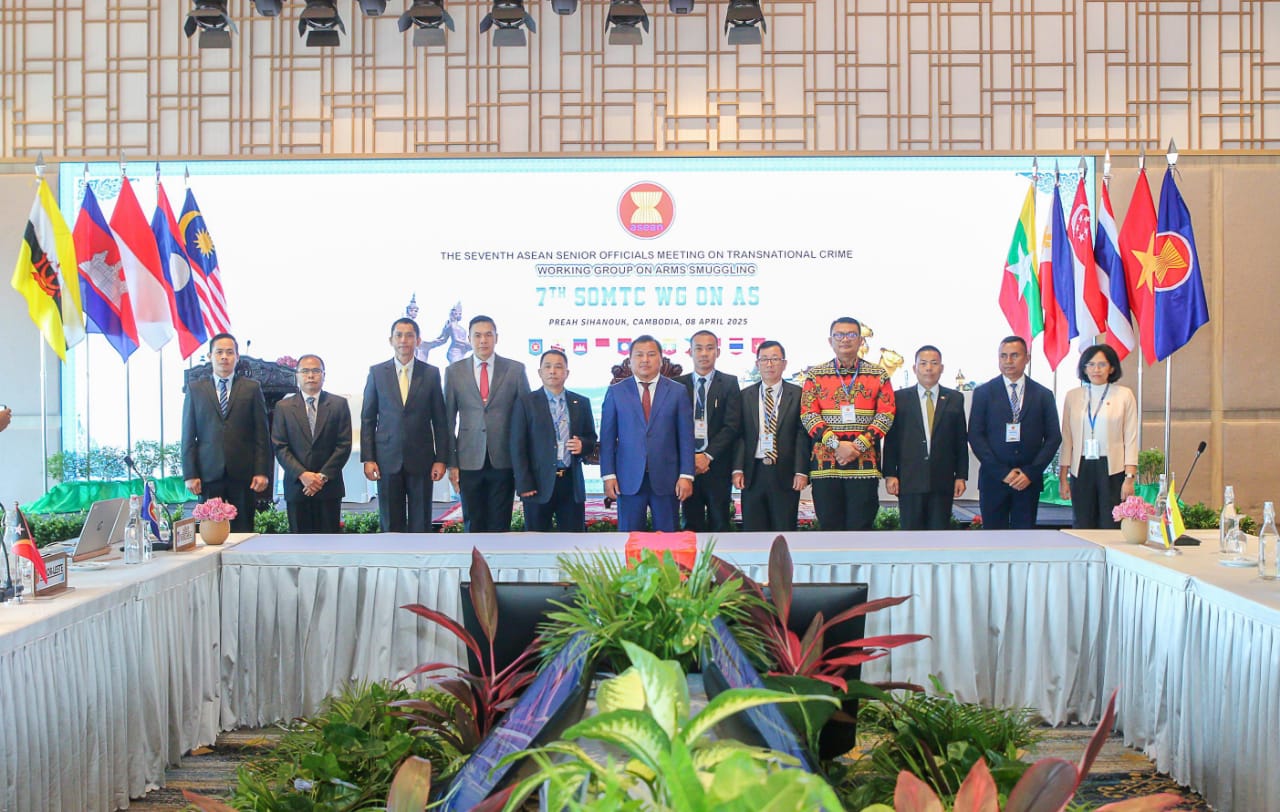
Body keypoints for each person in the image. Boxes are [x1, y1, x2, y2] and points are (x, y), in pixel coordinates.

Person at [800, 317, 896, 531]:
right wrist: (837, 445)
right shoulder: (815, 375)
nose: (845, 340)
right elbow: (808, 414)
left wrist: (858, 446)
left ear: (861, 340)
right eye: (839, 335)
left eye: (851, 335)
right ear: (830, 341)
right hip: (826, 467)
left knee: (861, 528)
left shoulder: (879, 374)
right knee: (829, 528)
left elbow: (886, 414)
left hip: (864, 466)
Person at [600, 335, 695, 532]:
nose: (645, 360)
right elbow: (607, 439)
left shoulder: (677, 392)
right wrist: (608, 475)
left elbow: (686, 438)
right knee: (630, 539)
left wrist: (686, 475)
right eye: (639, 355)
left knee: (668, 542)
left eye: (651, 355)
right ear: (630, 359)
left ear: (660, 359)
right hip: (628, 480)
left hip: (667, 479)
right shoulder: (616, 392)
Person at [361, 317, 448, 532]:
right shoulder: (377, 373)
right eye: (399, 335)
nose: (404, 340)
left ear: (418, 341)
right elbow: (368, 419)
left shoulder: (431, 373)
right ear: (391, 340)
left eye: (409, 335)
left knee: (421, 521)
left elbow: (440, 420)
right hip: (386, 459)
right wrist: (368, 458)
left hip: (422, 459)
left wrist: (441, 459)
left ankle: (419, 564)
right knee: (391, 522)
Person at [444, 316, 530, 532]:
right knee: (473, 524)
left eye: (488, 334)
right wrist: (451, 463)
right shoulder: (455, 371)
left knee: (500, 525)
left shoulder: (515, 370)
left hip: (504, 459)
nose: (483, 340)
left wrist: (523, 463)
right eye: (478, 335)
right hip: (468, 460)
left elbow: (527, 417)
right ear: (469, 339)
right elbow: (447, 421)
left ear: (496, 338)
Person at [968, 336, 1061, 530]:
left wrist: (1031, 472)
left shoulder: (1043, 395)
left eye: (1014, 355)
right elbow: (976, 435)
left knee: (1024, 541)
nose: (1008, 361)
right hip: (994, 480)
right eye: (1003, 356)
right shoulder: (984, 393)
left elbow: (1053, 437)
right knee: (993, 540)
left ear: (1027, 358)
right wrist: (1002, 472)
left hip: (1028, 482)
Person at [181, 332, 271, 533]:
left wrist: (262, 470)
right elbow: (188, 436)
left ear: (237, 357)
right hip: (208, 474)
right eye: (219, 352)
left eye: (229, 352)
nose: (224, 357)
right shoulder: (195, 389)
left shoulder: (251, 388)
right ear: (210, 356)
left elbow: (261, 435)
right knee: (210, 532)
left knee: (243, 530)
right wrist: (190, 473)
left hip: (243, 474)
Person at [509, 349, 598, 532]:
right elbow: (518, 446)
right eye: (547, 366)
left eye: (558, 367)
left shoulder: (580, 402)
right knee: (536, 542)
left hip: (570, 483)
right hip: (537, 484)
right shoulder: (526, 402)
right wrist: (524, 483)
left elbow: (591, 438)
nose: (552, 371)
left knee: (574, 543)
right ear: (540, 372)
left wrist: (583, 444)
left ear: (566, 373)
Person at [882, 345, 970, 530]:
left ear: (942, 368)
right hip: (909, 479)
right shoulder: (899, 398)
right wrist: (890, 474)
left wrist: (961, 476)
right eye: (923, 363)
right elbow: (892, 440)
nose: (928, 368)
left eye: (934, 363)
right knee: (911, 535)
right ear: (914, 368)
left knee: (939, 535)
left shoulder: (954, 398)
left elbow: (960, 440)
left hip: (943, 479)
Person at [1058, 344, 1139, 529]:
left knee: (1111, 522)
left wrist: (1129, 477)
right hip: (1082, 466)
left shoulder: (1124, 395)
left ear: (1111, 368)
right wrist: (1063, 478)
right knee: (1082, 522)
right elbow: (1067, 438)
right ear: (1084, 368)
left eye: (1102, 364)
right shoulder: (1073, 396)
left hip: (1112, 469)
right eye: (1091, 364)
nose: (1096, 369)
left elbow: (1131, 438)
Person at [732, 341, 809, 531]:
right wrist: (737, 468)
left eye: (775, 359)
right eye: (764, 359)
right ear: (757, 364)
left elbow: (802, 435)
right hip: (753, 473)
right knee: (753, 531)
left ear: (784, 364)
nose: (769, 364)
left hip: (785, 473)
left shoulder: (799, 394)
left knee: (784, 531)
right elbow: (739, 435)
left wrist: (801, 470)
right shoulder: (744, 395)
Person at [271, 354, 352, 533]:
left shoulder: (338, 404)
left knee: (329, 546)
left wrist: (321, 477)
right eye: (305, 371)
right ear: (297, 375)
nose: (310, 376)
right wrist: (303, 475)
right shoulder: (283, 407)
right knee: (299, 546)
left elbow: (343, 445)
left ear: (324, 375)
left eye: (316, 371)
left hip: (329, 487)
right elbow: (280, 446)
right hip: (297, 487)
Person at [676, 331, 742, 532]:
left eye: (709, 348)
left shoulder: (729, 383)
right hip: (687, 469)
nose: (704, 353)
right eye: (699, 348)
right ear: (690, 352)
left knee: (720, 523)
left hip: (717, 466)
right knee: (690, 525)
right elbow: (672, 428)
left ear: (718, 352)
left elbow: (731, 426)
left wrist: (707, 455)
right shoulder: (677, 384)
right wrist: (690, 459)